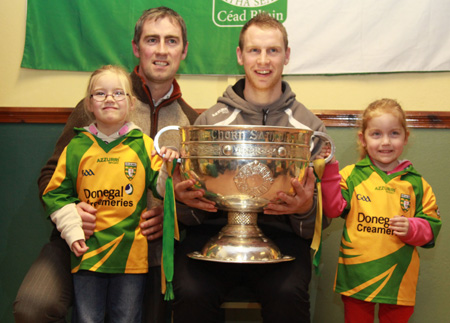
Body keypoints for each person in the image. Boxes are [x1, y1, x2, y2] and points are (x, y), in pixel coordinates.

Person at [13, 7, 199, 323]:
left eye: (171, 41)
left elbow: (199, 196)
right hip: (82, 241)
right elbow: (50, 175)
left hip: (148, 253)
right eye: (152, 40)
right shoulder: (100, 101)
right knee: (33, 307)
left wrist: (173, 216)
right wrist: (72, 211)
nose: (162, 50)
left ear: (184, 50)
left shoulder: (192, 122)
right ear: (136, 48)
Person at [171, 13, 329, 323]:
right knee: (189, 293)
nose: (264, 60)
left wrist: (305, 209)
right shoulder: (209, 123)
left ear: (287, 56)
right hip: (211, 235)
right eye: (254, 50)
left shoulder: (309, 128)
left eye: (273, 50)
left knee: (288, 296)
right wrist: (182, 201)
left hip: (281, 239)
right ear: (240, 56)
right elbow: (189, 216)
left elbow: (318, 225)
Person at [42, 65, 179, 322]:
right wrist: (71, 226)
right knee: (87, 318)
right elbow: (54, 194)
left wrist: (169, 166)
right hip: (87, 255)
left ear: (131, 103)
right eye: (100, 93)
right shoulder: (76, 146)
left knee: (126, 318)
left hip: (130, 257)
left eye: (118, 93)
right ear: (89, 104)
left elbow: (162, 190)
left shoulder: (143, 144)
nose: (109, 99)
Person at [320, 98, 442, 322]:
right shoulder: (350, 175)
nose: (386, 142)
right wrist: (329, 170)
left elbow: (432, 228)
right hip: (357, 279)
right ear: (363, 139)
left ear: (405, 137)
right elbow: (332, 208)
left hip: (398, 282)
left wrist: (412, 228)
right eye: (376, 134)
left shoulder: (416, 184)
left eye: (394, 133)